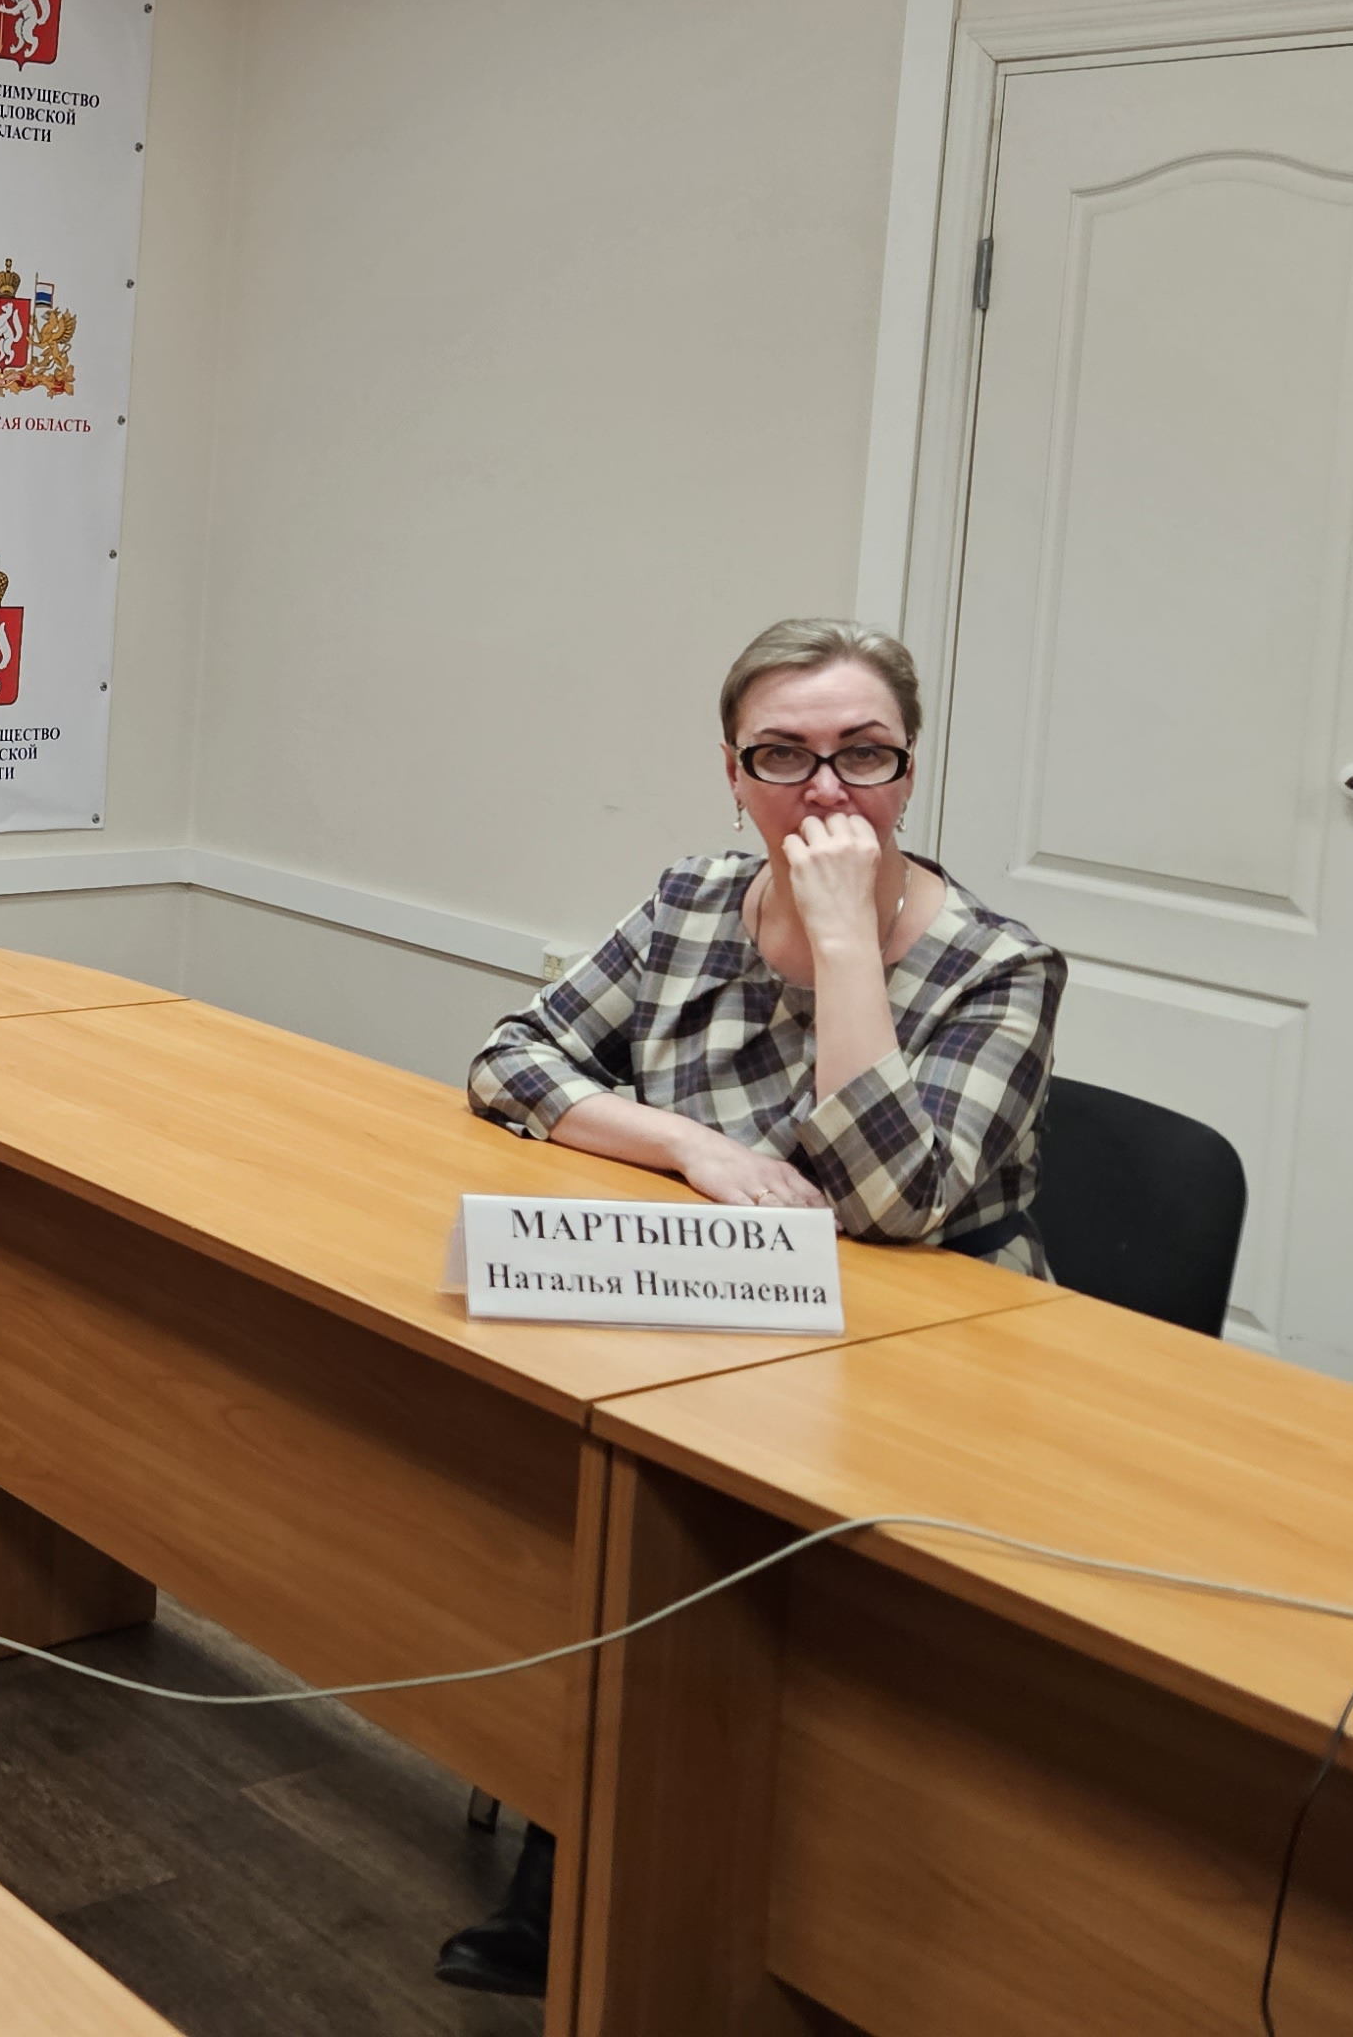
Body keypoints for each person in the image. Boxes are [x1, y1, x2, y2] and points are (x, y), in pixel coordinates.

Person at [434, 615, 1064, 1998]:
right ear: (733, 774)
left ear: (909, 773)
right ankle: (587, 1853)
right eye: (783, 756)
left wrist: (844, 948)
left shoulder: (999, 965)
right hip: (713, 1313)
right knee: (580, 1502)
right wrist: (691, 1149)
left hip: (925, 1361)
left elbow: (889, 1204)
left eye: (862, 755)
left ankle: (783, 1905)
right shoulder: (691, 902)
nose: (824, 790)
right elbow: (512, 1058)